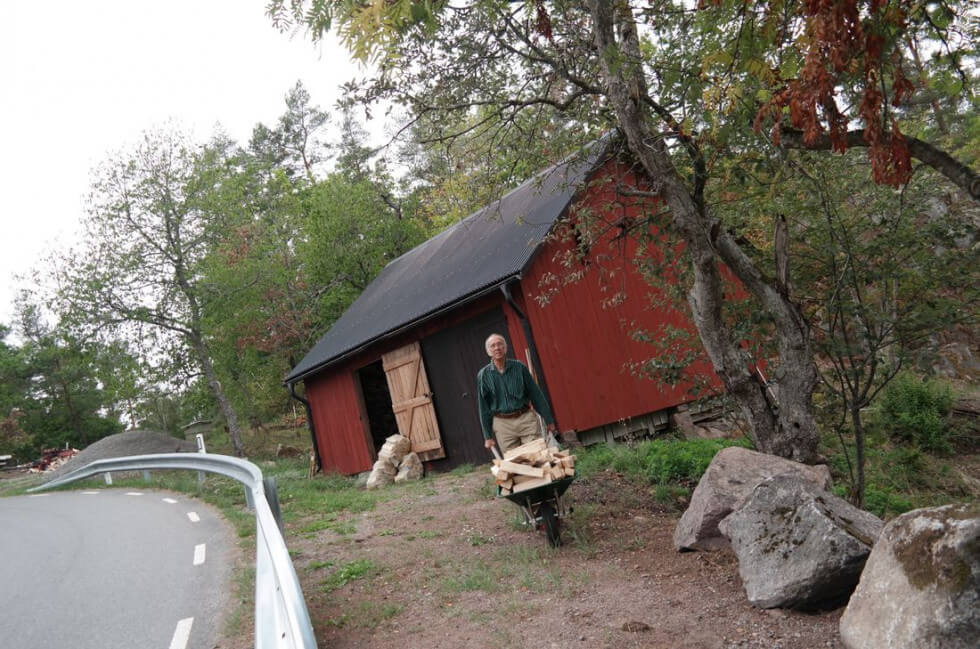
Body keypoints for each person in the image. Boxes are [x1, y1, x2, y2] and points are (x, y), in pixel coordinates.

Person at [476, 333, 557, 453]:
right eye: (493, 346)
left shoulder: (520, 368)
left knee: (537, 455)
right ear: (488, 351)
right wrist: (487, 436)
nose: (497, 348)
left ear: (505, 348)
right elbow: (483, 407)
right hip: (502, 425)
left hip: (526, 419)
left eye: (500, 344)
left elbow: (536, 395)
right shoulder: (483, 375)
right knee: (514, 461)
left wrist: (548, 420)